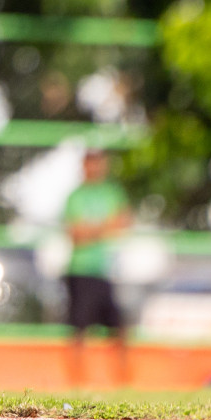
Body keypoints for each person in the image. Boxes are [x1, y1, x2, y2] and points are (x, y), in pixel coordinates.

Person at [62, 149, 131, 385]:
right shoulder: (76, 197)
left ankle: (123, 381)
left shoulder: (112, 193)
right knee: (78, 330)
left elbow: (123, 222)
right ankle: (76, 382)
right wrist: (104, 228)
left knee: (119, 328)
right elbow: (76, 234)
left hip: (105, 271)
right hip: (81, 271)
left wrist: (91, 230)